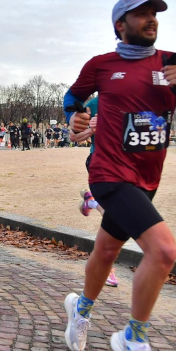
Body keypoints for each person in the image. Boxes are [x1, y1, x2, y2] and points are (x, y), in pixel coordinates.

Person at [62, 0, 176, 351]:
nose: (151, 19)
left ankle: (80, 311)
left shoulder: (175, 63)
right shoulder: (101, 65)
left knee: (107, 250)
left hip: (147, 177)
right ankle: (133, 338)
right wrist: (75, 116)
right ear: (120, 25)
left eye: (154, 14)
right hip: (108, 172)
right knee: (163, 251)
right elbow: (72, 98)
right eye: (141, 14)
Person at [70, 97, 119, 288]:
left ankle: (90, 201)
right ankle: (107, 268)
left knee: (117, 213)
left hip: (125, 164)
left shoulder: (134, 97)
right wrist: (92, 129)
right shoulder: (93, 104)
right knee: (112, 215)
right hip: (99, 160)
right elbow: (73, 136)